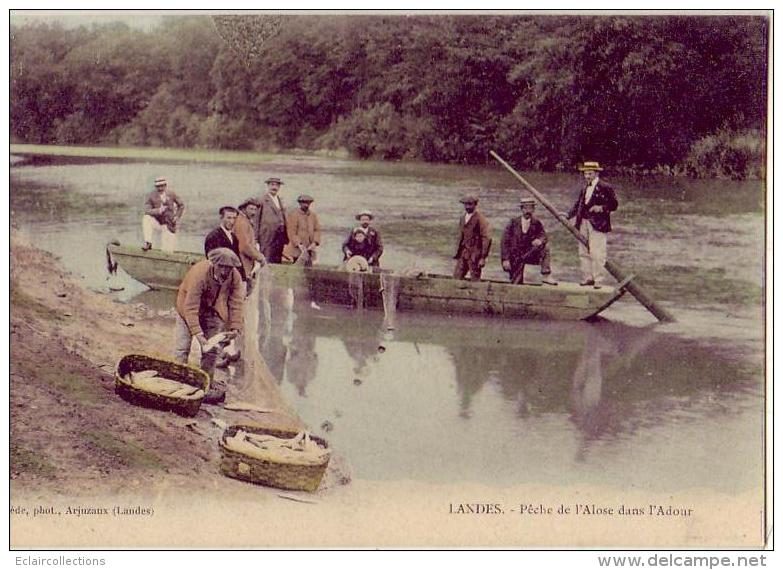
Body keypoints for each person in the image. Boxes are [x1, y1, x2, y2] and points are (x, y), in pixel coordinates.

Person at [173, 247, 244, 400]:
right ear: (213, 264)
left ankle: (205, 384)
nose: (225, 271)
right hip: (186, 308)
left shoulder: (234, 277)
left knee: (211, 351)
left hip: (211, 310)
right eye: (222, 267)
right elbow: (190, 307)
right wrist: (198, 334)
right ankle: (176, 381)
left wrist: (235, 327)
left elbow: (236, 303)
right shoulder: (199, 274)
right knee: (182, 348)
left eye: (229, 268)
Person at [566, 161, 618, 288]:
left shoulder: (606, 187)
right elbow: (578, 204)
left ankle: (598, 280)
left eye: (589, 173)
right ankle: (587, 277)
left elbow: (614, 205)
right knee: (583, 252)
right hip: (582, 222)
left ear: (596, 173)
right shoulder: (584, 188)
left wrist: (601, 208)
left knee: (597, 252)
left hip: (598, 224)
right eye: (585, 173)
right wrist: (567, 216)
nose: (587, 176)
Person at [500, 197, 558, 285]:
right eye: (526, 208)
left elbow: (544, 236)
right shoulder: (513, 223)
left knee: (545, 247)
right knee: (516, 282)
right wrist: (505, 259)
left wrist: (540, 240)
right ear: (521, 209)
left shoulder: (536, 222)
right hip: (515, 257)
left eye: (530, 208)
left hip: (529, 255)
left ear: (533, 210)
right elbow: (504, 242)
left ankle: (546, 275)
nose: (528, 211)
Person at [453, 194, 492, 280]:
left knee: (475, 279)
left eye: (470, 204)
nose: (467, 206)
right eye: (465, 204)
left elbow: (486, 238)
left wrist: (483, 257)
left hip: (475, 255)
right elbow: (460, 236)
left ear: (475, 205)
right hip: (463, 253)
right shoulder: (463, 218)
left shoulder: (480, 219)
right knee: (456, 277)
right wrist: (457, 252)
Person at [142, 177, 185, 252]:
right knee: (146, 218)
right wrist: (158, 210)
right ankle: (148, 242)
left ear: (165, 185)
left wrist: (177, 216)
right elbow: (147, 210)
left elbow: (181, 205)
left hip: (169, 224)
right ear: (156, 187)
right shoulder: (151, 195)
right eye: (158, 186)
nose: (160, 188)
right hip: (158, 222)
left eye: (162, 186)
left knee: (167, 250)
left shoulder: (171, 194)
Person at [235, 197, 266, 288]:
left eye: (255, 210)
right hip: (242, 263)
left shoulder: (246, 221)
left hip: (246, 263)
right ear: (244, 209)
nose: (253, 212)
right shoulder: (242, 222)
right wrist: (259, 257)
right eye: (251, 209)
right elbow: (244, 246)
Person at [256, 176, 288, 264]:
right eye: (272, 185)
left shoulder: (280, 200)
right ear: (268, 186)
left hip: (279, 236)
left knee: (277, 259)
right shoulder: (261, 199)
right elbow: (256, 219)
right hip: (266, 235)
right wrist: (255, 238)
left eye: (277, 185)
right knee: (267, 258)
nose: (274, 187)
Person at [282, 194, 321, 264]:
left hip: (310, 248)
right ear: (300, 203)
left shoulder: (313, 216)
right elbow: (291, 232)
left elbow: (317, 230)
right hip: (297, 249)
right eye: (304, 203)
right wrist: (299, 244)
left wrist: (315, 243)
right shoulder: (294, 215)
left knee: (309, 268)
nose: (306, 205)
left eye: (308, 203)